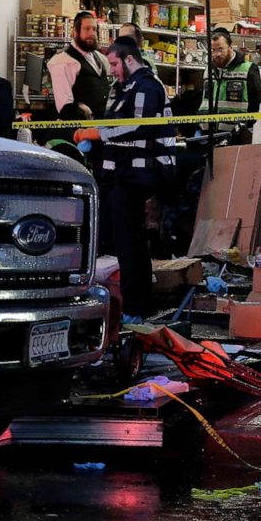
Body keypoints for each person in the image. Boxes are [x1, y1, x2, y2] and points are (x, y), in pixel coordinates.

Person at [74, 36, 176, 320]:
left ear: (130, 59)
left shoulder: (146, 87)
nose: (113, 69)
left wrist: (99, 134)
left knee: (130, 243)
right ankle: (130, 305)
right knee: (121, 240)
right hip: (120, 175)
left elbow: (139, 127)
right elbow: (117, 126)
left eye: (115, 63)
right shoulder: (123, 89)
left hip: (138, 175)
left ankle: (136, 308)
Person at [48, 11, 111, 120]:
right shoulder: (64, 61)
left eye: (94, 29)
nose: (92, 33)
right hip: (78, 130)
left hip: (101, 127)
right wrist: (79, 109)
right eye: (86, 29)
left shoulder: (99, 57)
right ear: (75, 32)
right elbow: (64, 106)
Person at [199, 28, 261, 115]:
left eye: (220, 49)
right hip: (208, 127)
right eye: (213, 50)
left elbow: (258, 103)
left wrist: (249, 126)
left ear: (230, 47)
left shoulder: (248, 69)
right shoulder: (209, 70)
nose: (217, 54)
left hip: (237, 127)